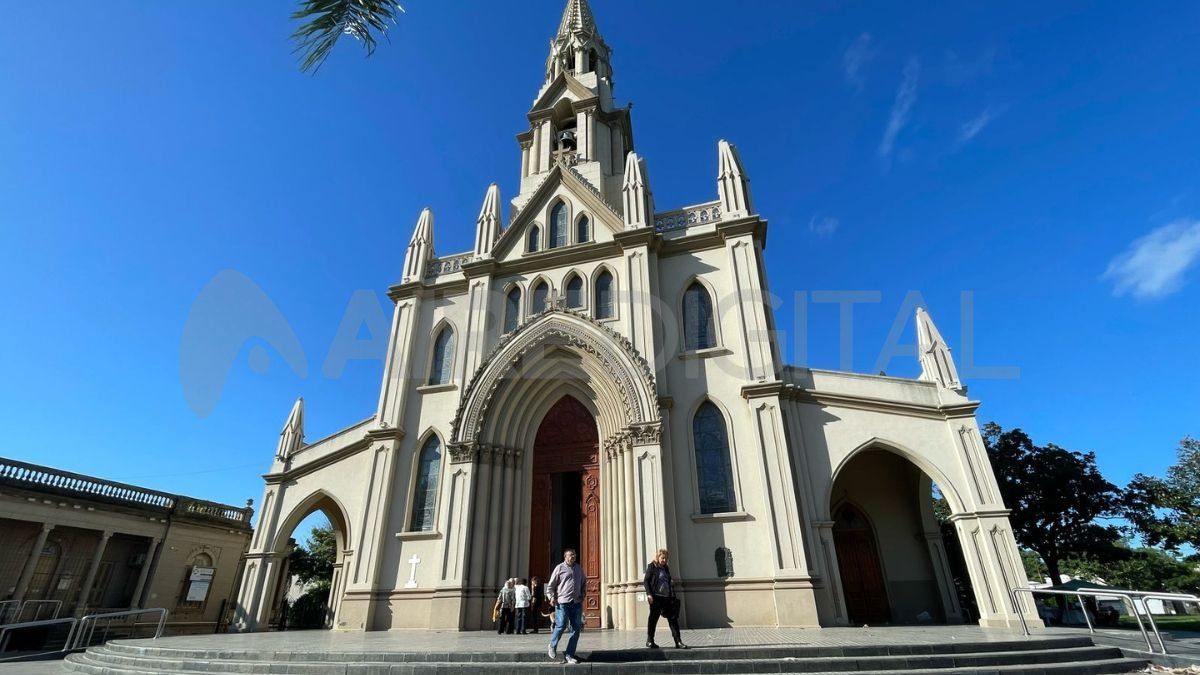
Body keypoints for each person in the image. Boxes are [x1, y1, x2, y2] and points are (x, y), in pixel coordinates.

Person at [546, 549, 586, 664]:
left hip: (576, 602)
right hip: (562, 602)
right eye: (571, 555)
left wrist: (583, 593)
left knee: (576, 629)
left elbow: (583, 583)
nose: (573, 556)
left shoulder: (578, 568)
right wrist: (551, 597)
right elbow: (550, 586)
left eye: (574, 554)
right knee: (561, 625)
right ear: (565, 557)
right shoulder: (559, 568)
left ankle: (569, 655)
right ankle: (552, 645)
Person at [643, 548, 687, 649]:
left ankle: (678, 642)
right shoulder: (652, 567)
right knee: (653, 619)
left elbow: (666, 579)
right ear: (658, 557)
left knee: (673, 619)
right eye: (663, 558)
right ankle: (650, 641)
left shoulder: (666, 568)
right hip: (656, 598)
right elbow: (646, 581)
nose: (664, 560)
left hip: (667, 598)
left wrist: (670, 582)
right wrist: (649, 594)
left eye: (666, 558)